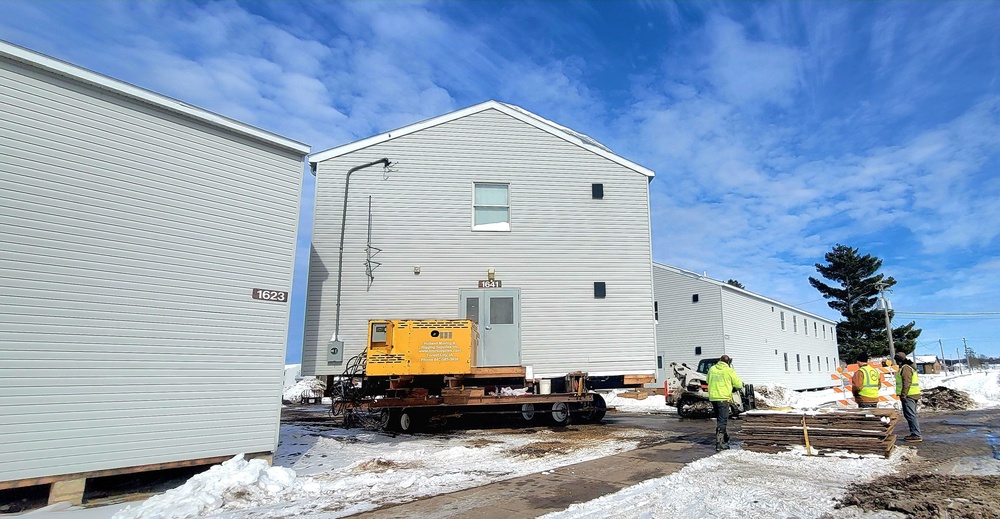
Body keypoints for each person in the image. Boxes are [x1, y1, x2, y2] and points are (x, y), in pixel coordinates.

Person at [707, 355, 743, 451]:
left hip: (713, 398)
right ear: (728, 362)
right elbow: (738, 384)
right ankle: (719, 443)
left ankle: (725, 437)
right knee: (722, 420)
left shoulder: (712, 369)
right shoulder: (729, 370)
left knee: (720, 419)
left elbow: (707, 380)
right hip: (723, 398)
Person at [894, 351, 922, 442]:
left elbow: (907, 382)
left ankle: (916, 434)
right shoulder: (908, 367)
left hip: (909, 395)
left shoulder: (905, 368)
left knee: (910, 415)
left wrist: (903, 394)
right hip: (912, 394)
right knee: (911, 414)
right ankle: (915, 433)